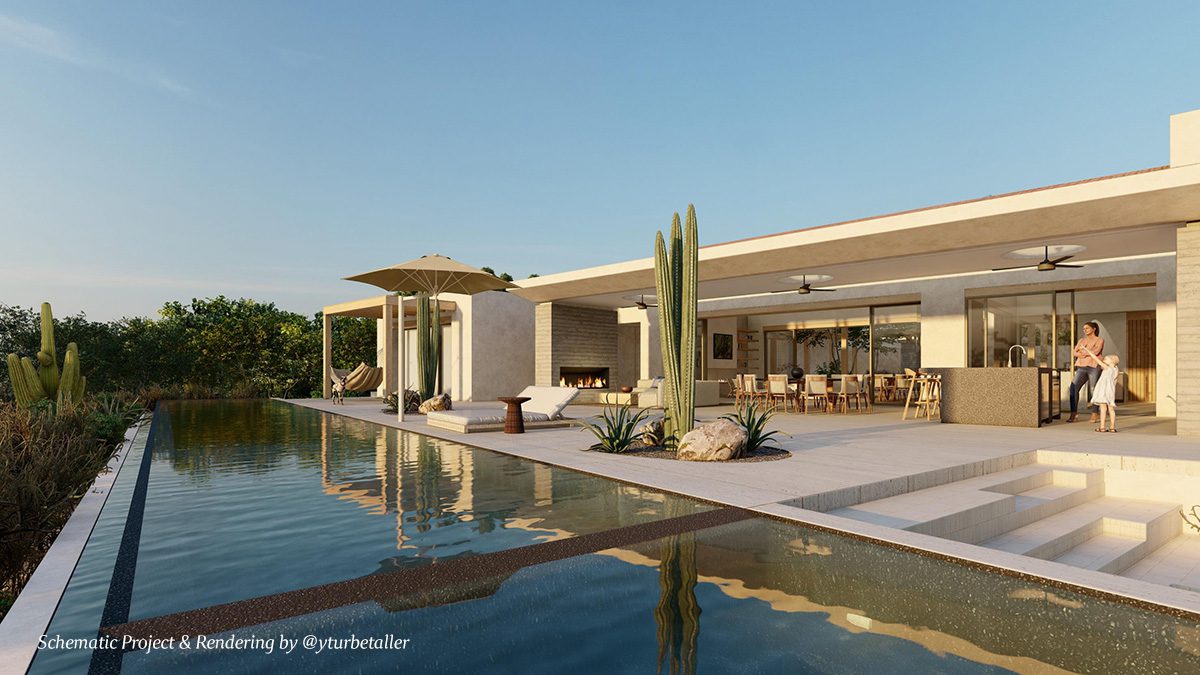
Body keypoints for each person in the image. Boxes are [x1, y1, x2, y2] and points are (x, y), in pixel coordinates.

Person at [1067, 321, 1104, 423]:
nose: (1085, 330)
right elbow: (1075, 353)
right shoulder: (1081, 340)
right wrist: (1086, 352)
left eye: (1087, 328)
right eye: (1084, 329)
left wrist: (1082, 351)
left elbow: (1096, 352)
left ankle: (1094, 413)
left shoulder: (1099, 340)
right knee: (1073, 388)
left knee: (1093, 390)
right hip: (1081, 366)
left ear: (1094, 329)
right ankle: (1073, 413)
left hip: (1094, 366)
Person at [1080, 344, 1119, 432]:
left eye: (1106, 359)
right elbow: (1114, 382)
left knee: (1103, 409)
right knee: (1111, 409)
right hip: (1110, 391)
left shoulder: (1107, 368)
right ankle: (1112, 427)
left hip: (1103, 391)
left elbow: (1095, 358)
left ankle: (1102, 427)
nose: (1104, 360)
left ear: (1112, 361)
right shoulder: (1116, 370)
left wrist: (1086, 349)